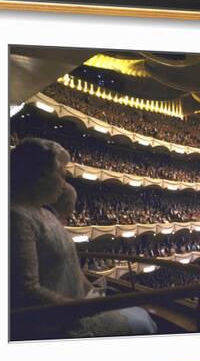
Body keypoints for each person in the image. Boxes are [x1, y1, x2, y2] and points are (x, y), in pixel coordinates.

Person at [10, 137, 156, 339]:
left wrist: (92, 292)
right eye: (61, 176)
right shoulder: (17, 217)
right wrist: (82, 307)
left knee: (140, 313)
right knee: (143, 322)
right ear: (42, 174)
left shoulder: (47, 214)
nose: (64, 184)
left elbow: (72, 267)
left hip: (78, 305)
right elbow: (27, 290)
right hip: (61, 321)